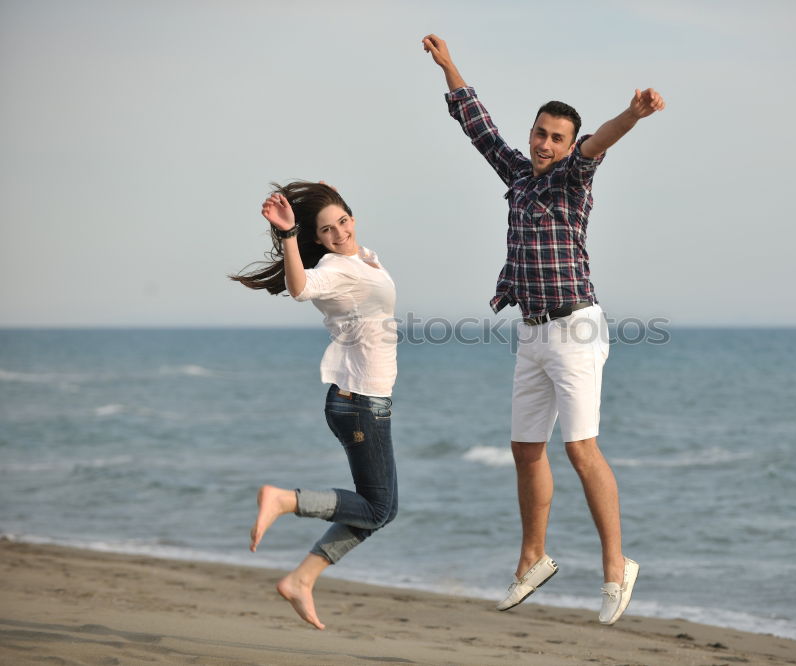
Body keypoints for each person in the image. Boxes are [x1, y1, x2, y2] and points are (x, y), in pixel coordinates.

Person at [422, 34, 665, 625]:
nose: (545, 144)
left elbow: (597, 143)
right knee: (525, 448)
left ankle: (616, 566)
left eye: (556, 138)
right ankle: (533, 556)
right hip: (532, 332)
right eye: (540, 133)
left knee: (581, 448)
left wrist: (632, 115)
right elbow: (477, 127)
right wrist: (451, 66)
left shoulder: (570, 180)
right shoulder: (519, 174)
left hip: (576, 328)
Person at [230, 182, 398, 630]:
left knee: (381, 509)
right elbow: (301, 288)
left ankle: (301, 580)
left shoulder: (363, 259)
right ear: (318, 240)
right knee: (378, 507)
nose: (339, 232)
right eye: (327, 230)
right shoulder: (332, 268)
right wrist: (288, 237)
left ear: (353, 218)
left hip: (368, 400)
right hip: (357, 401)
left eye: (342, 221)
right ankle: (284, 500)